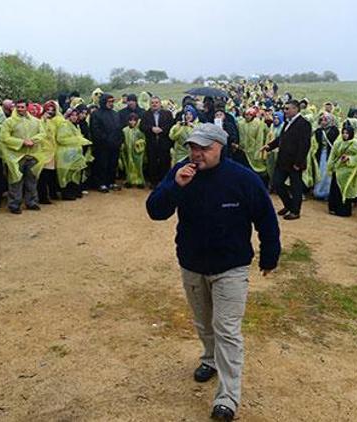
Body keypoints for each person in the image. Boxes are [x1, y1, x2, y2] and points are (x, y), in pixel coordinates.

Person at [146, 123, 281, 422]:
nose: (197, 153)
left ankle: (227, 397)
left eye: (204, 148)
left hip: (231, 267)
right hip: (192, 263)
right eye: (193, 147)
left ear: (222, 147)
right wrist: (174, 186)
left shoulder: (243, 178)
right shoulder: (181, 172)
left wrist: (270, 255)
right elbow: (155, 210)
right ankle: (210, 358)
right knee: (203, 322)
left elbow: (266, 219)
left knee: (227, 329)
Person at [262, 100, 313, 221]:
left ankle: (295, 211)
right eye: (284, 109)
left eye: (287, 109)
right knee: (277, 183)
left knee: (296, 187)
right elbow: (282, 138)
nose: (285, 111)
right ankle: (288, 205)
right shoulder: (287, 122)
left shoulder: (304, 124)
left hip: (295, 162)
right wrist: (270, 146)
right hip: (283, 160)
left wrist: (298, 163)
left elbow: (305, 145)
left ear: (295, 109)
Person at [0, 100, 47, 214]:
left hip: (33, 155)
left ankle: (32, 202)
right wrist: (21, 142)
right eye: (18, 107)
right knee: (15, 180)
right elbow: (4, 137)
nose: (20, 109)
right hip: (16, 156)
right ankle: (14, 204)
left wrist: (33, 140)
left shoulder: (36, 121)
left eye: (22, 107)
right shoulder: (9, 122)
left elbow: (43, 133)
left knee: (32, 179)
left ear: (27, 108)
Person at [327, 124, 357, 216]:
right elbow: (333, 155)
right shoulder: (338, 143)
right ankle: (333, 208)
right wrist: (331, 165)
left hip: (348, 171)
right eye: (343, 133)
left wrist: (349, 158)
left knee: (345, 191)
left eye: (347, 133)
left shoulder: (355, 143)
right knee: (335, 190)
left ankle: (343, 211)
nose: (345, 135)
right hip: (338, 169)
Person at [56, 107, 92, 200]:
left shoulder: (77, 126)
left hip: (75, 154)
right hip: (66, 154)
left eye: (76, 115)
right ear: (68, 116)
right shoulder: (64, 125)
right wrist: (77, 140)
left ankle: (74, 191)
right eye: (72, 115)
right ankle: (66, 194)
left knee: (74, 173)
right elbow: (61, 139)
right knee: (66, 174)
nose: (75, 117)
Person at [89, 93, 123, 192]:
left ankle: (111, 182)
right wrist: (106, 140)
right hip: (102, 146)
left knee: (113, 164)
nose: (111, 103)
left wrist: (119, 140)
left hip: (115, 145)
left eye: (113, 101)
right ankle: (101, 183)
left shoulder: (115, 114)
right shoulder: (96, 114)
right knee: (102, 165)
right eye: (110, 101)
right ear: (103, 101)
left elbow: (119, 128)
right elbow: (95, 130)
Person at [140, 96, 175, 187]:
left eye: (156, 102)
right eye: (152, 103)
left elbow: (171, 125)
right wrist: (151, 128)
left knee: (165, 161)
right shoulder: (145, 114)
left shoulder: (167, 114)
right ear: (150, 104)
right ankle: (153, 182)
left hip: (164, 142)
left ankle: (164, 181)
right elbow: (142, 126)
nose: (154, 104)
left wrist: (162, 130)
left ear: (160, 104)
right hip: (151, 142)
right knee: (152, 162)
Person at [37, 100, 62, 203]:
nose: (50, 112)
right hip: (43, 151)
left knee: (52, 174)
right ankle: (43, 197)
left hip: (53, 151)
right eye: (48, 110)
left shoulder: (56, 121)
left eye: (52, 110)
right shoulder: (40, 121)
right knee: (43, 175)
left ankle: (53, 193)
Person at [236, 107, 268, 185]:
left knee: (258, 168)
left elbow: (259, 138)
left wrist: (258, 151)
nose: (247, 116)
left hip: (254, 149)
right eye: (246, 114)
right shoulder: (240, 123)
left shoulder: (258, 124)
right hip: (243, 150)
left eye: (250, 115)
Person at [311, 113, 339, 200]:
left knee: (328, 174)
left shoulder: (335, 131)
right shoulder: (318, 131)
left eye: (325, 120)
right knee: (320, 172)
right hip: (321, 154)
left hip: (330, 154)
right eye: (322, 120)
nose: (323, 122)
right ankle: (318, 192)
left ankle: (327, 192)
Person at [120, 113, 146, 188]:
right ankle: (129, 180)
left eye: (134, 120)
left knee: (138, 166)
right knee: (128, 166)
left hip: (138, 152)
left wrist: (138, 144)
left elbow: (143, 140)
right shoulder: (124, 130)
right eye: (130, 120)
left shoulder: (139, 131)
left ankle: (140, 181)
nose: (132, 122)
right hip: (127, 151)